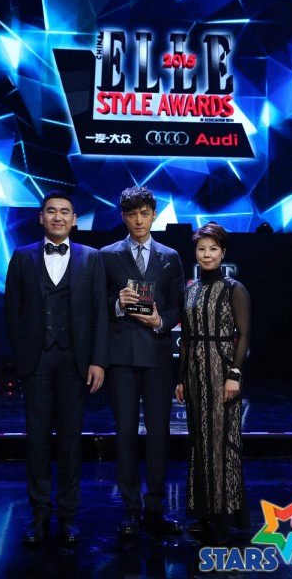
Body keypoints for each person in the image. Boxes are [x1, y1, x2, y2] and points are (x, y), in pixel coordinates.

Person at [4, 190, 109, 544]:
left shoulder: (91, 258)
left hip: (75, 360)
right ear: (41, 217)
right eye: (51, 211)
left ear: (74, 219)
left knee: (69, 441)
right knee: (37, 441)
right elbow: (12, 311)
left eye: (65, 212)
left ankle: (68, 516)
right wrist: (22, 353)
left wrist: (98, 360)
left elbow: (100, 313)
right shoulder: (22, 257)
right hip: (36, 361)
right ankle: (39, 515)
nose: (58, 217)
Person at [100, 186, 185, 537]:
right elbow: (96, 305)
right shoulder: (106, 255)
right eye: (132, 214)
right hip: (120, 356)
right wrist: (118, 305)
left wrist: (161, 320)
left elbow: (179, 305)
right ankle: (131, 509)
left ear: (154, 215)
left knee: (159, 434)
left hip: (157, 354)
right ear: (123, 216)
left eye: (145, 213)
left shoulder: (170, 256)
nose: (139, 220)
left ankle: (154, 508)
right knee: (124, 434)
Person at [175, 222, 251, 543]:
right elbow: (186, 339)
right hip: (194, 373)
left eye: (213, 249)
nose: (207, 254)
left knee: (222, 441)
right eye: (201, 249)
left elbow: (243, 335)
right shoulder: (190, 290)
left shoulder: (235, 288)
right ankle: (204, 513)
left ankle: (225, 515)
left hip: (222, 371)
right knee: (200, 442)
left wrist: (234, 374)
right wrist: (181, 379)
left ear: (223, 252)